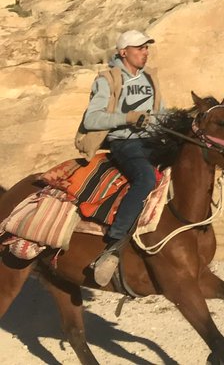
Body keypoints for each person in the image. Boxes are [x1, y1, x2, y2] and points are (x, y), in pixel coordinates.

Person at [80, 29, 165, 285]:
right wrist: (127, 118)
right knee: (146, 179)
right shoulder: (108, 79)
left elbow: (161, 112)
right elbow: (91, 118)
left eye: (146, 48)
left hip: (151, 140)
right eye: (139, 48)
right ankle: (114, 244)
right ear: (123, 52)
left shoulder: (150, 78)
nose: (145, 52)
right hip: (124, 143)